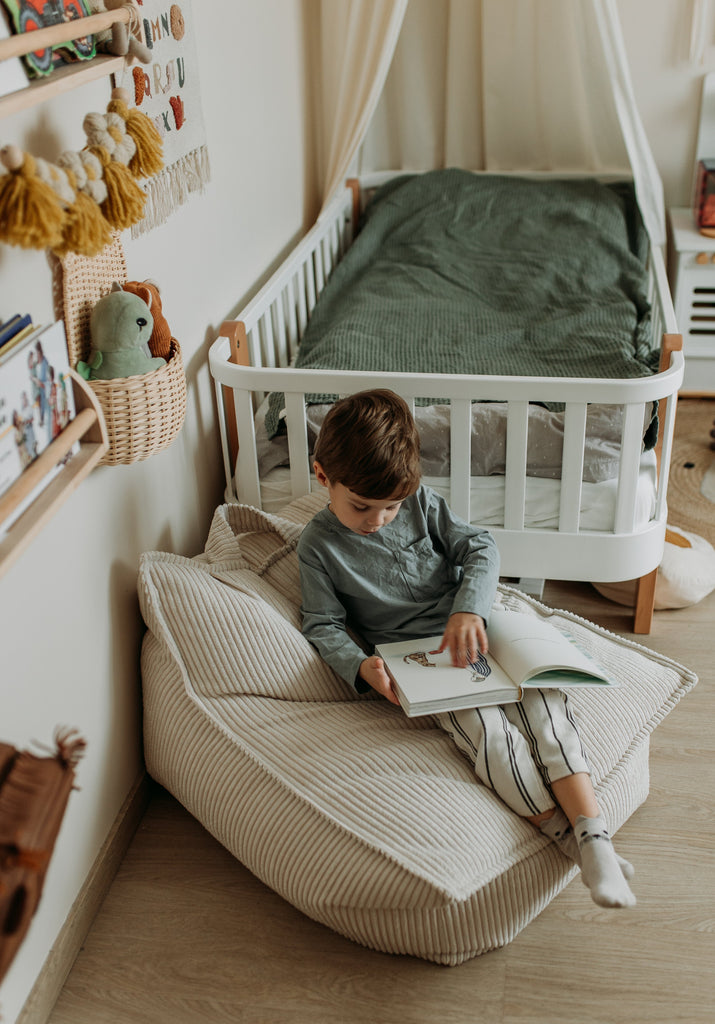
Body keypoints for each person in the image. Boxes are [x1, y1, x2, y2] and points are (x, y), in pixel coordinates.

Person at [297, 388, 636, 909]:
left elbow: (479, 545)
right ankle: (570, 843)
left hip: (479, 621)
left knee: (544, 706)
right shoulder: (318, 547)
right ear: (323, 477)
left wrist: (469, 608)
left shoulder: (419, 504)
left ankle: (595, 835)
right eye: (362, 506)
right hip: (425, 658)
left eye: (390, 507)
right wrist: (361, 666)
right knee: (491, 736)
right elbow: (323, 624)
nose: (378, 519)